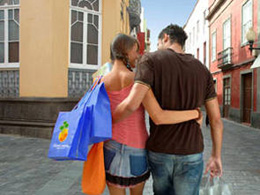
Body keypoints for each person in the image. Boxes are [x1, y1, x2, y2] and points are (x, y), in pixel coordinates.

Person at [112, 25, 223, 195]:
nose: (157, 48)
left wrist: (107, 120)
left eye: (158, 43)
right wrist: (216, 155)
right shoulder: (203, 71)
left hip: (160, 150)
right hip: (191, 151)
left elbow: (132, 104)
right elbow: (216, 120)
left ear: (165, 38)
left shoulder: (150, 60)